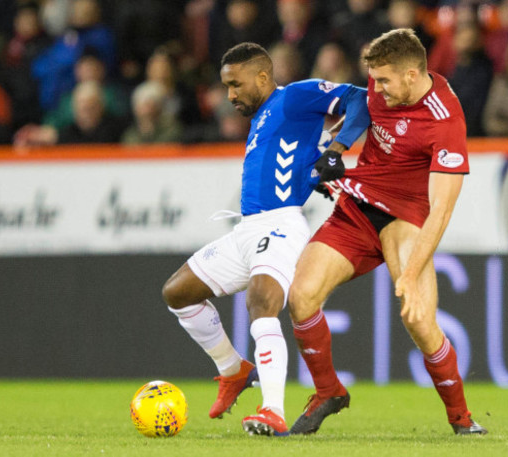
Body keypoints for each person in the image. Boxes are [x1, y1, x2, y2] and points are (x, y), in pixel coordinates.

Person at [161, 42, 369, 437]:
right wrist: (314, 165)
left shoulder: (294, 97)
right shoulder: (264, 119)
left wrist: (338, 149)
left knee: (262, 301)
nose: (230, 95)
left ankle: (272, 409)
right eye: (226, 87)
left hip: (281, 225)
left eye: (235, 85)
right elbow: (294, 156)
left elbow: (360, 99)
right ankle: (233, 370)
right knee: (177, 293)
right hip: (247, 229)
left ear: (261, 76)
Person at [287, 28, 488, 436]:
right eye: (374, 79)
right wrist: (337, 149)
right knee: (301, 296)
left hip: (406, 218)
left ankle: (462, 420)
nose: (375, 88)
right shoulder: (382, 89)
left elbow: (442, 210)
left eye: (383, 80)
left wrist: (411, 274)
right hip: (359, 206)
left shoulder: (445, 121)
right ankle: (328, 391)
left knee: (419, 320)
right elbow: (362, 107)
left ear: (412, 75)